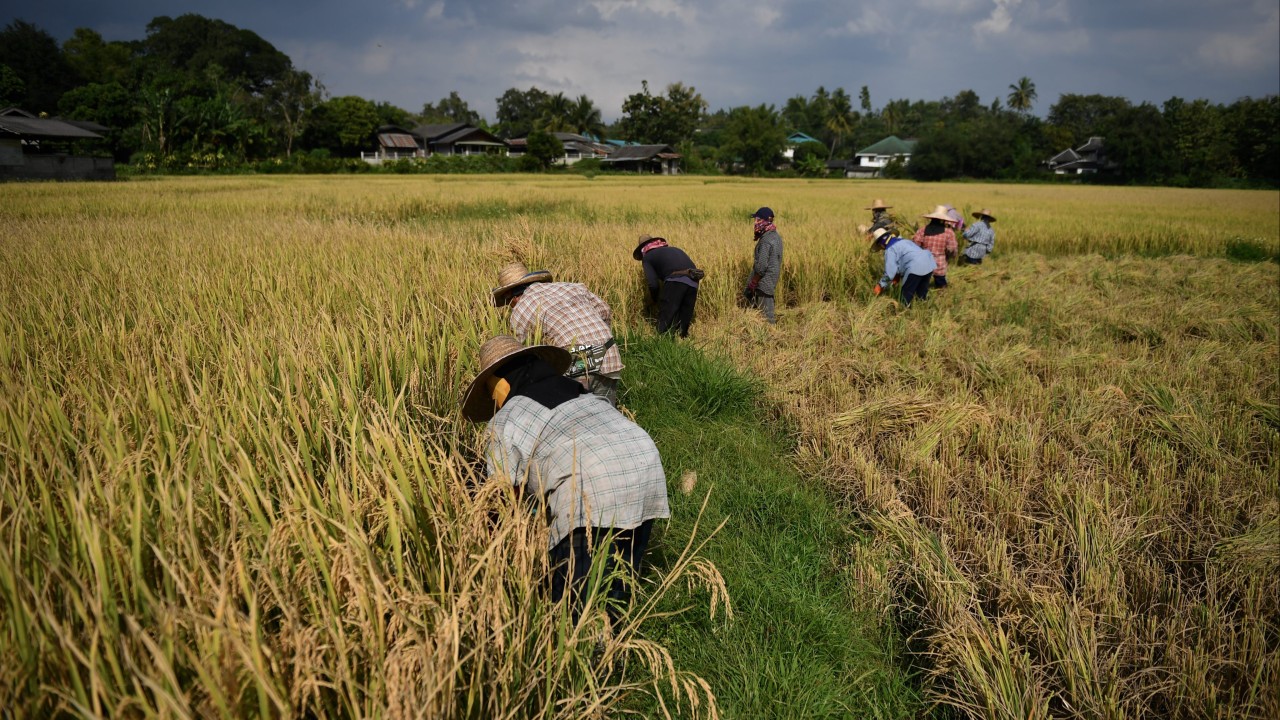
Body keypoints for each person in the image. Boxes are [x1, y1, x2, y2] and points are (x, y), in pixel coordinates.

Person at [461, 334, 671, 614]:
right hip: (643, 464)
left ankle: (593, 653)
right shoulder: (580, 391)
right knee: (619, 583)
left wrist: (491, 553)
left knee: (576, 612)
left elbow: (501, 497)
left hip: (591, 485)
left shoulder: (506, 417)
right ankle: (617, 642)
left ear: (499, 384)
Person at [493, 261, 623, 406]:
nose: (510, 306)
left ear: (511, 295)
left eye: (507, 301)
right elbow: (604, 310)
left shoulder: (520, 310)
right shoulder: (571, 287)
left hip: (577, 361)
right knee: (607, 416)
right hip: (609, 353)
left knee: (578, 419)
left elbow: (528, 353)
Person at [633, 234, 702, 338]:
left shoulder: (647, 257)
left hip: (676, 280)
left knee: (665, 320)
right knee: (683, 321)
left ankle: (660, 346)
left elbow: (653, 284)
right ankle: (682, 343)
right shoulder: (674, 249)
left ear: (642, 248)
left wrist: (655, 299)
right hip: (694, 280)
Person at [870, 227, 936, 307]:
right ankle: (924, 310)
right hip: (928, 262)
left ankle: (904, 313)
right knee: (921, 293)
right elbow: (906, 258)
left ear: (881, 244)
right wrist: (897, 277)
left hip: (915, 267)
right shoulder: (905, 241)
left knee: (905, 297)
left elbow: (889, 273)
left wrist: (880, 285)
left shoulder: (890, 249)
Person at [743, 207, 783, 323]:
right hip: (770, 280)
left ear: (763, 221)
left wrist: (753, 283)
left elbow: (761, 267)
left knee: (766, 318)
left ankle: (770, 339)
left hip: (763, 284)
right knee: (761, 316)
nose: (755, 223)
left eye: (757, 220)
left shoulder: (766, 240)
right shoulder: (776, 237)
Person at [912, 205, 958, 290]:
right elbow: (952, 248)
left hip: (924, 261)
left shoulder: (923, 230)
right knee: (941, 283)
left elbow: (915, 244)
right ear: (944, 220)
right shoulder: (949, 232)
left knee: (922, 283)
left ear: (932, 218)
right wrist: (951, 256)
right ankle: (942, 294)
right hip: (939, 263)